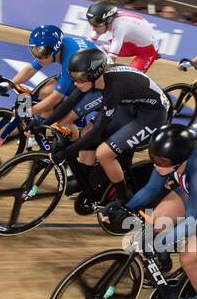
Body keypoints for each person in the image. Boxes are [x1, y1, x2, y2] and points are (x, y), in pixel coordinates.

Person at [108, 125, 197, 297]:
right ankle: (162, 262)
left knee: (188, 259)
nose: (157, 165)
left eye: (162, 162)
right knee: (153, 222)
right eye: (154, 158)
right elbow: (151, 189)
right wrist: (125, 208)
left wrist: (158, 243)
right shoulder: (169, 160)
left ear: (180, 160)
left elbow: (191, 223)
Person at [46, 49, 169, 200]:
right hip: (131, 105)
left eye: (80, 79)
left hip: (152, 115)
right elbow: (71, 101)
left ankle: (124, 196)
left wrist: (66, 153)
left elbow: (98, 130)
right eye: (74, 78)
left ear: (94, 75)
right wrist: (43, 123)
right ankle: (83, 181)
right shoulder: (95, 78)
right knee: (86, 132)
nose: (76, 83)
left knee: (104, 154)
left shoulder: (114, 87)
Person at [1, 24, 99, 121]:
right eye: (35, 51)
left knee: (65, 121)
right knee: (45, 93)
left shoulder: (69, 61)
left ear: (55, 49)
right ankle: (41, 127)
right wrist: (8, 85)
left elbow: (56, 97)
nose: (38, 57)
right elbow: (31, 69)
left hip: (98, 85)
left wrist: (29, 112)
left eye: (42, 52)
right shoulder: (57, 47)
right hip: (84, 72)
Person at [84, 1, 159, 72]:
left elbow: (111, 58)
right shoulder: (107, 22)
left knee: (130, 76)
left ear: (109, 20)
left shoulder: (120, 25)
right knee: (101, 50)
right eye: (91, 23)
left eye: (96, 24)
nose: (93, 27)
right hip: (130, 43)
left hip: (148, 50)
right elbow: (88, 43)